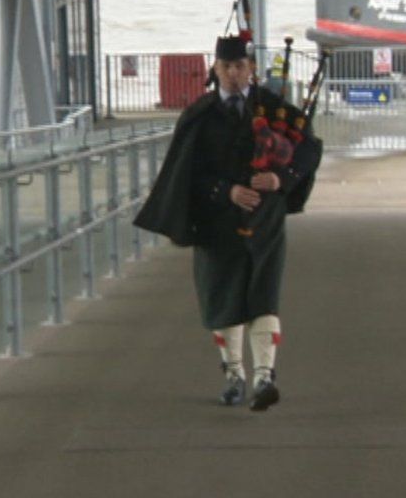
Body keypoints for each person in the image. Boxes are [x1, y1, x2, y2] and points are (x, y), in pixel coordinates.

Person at [133, 35, 322, 411]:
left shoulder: (272, 109)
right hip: (217, 220)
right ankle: (234, 374)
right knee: (223, 294)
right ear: (215, 70)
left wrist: (281, 180)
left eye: (240, 66)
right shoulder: (200, 116)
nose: (234, 74)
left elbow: (308, 149)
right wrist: (227, 191)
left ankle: (264, 376)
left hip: (265, 219)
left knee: (263, 292)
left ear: (251, 68)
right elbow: (189, 174)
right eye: (227, 67)